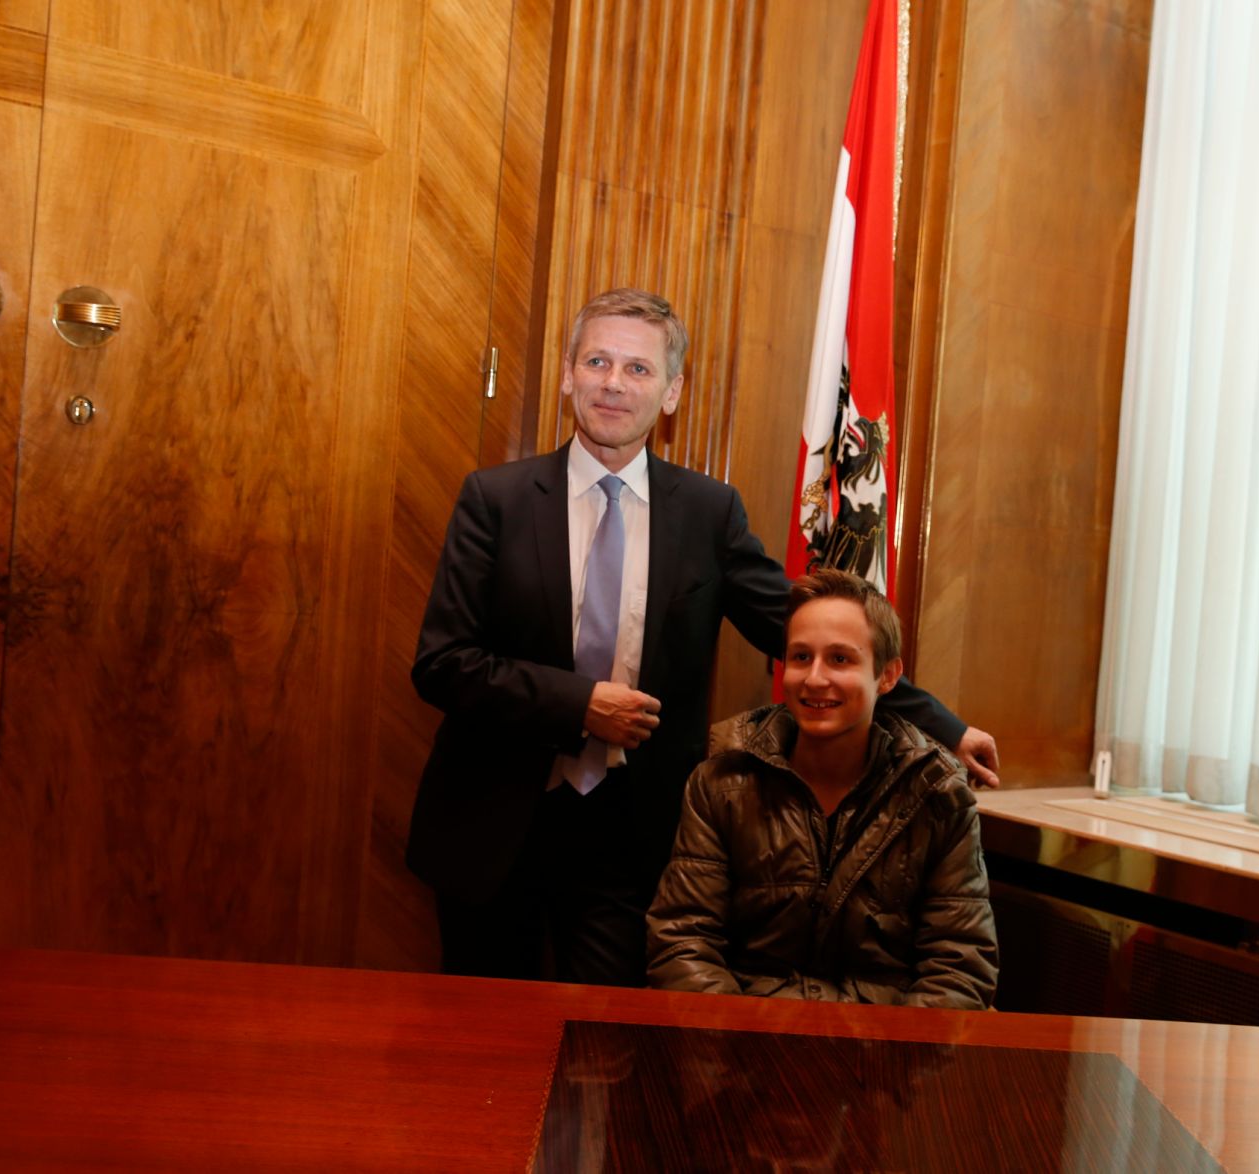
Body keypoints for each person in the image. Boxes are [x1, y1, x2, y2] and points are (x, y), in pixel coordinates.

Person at [407, 288, 999, 985]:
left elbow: (808, 638)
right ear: (568, 373)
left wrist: (942, 726)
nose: (613, 383)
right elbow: (442, 664)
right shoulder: (495, 499)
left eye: (638, 369)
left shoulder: (708, 513)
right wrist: (578, 706)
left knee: (613, 1059)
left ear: (670, 392)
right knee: (477, 1049)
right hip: (492, 824)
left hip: (631, 841)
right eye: (597, 361)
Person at [645, 569, 998, 1008]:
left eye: (840, 659)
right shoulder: (721, 779)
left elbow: (958, 969)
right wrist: (737, 1049)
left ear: (887, 676)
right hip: (744, 1045)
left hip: (881, 1056)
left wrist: (883, 1065)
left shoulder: (938, 794)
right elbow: (683, 942)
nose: (814, 678)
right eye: (800, 657)